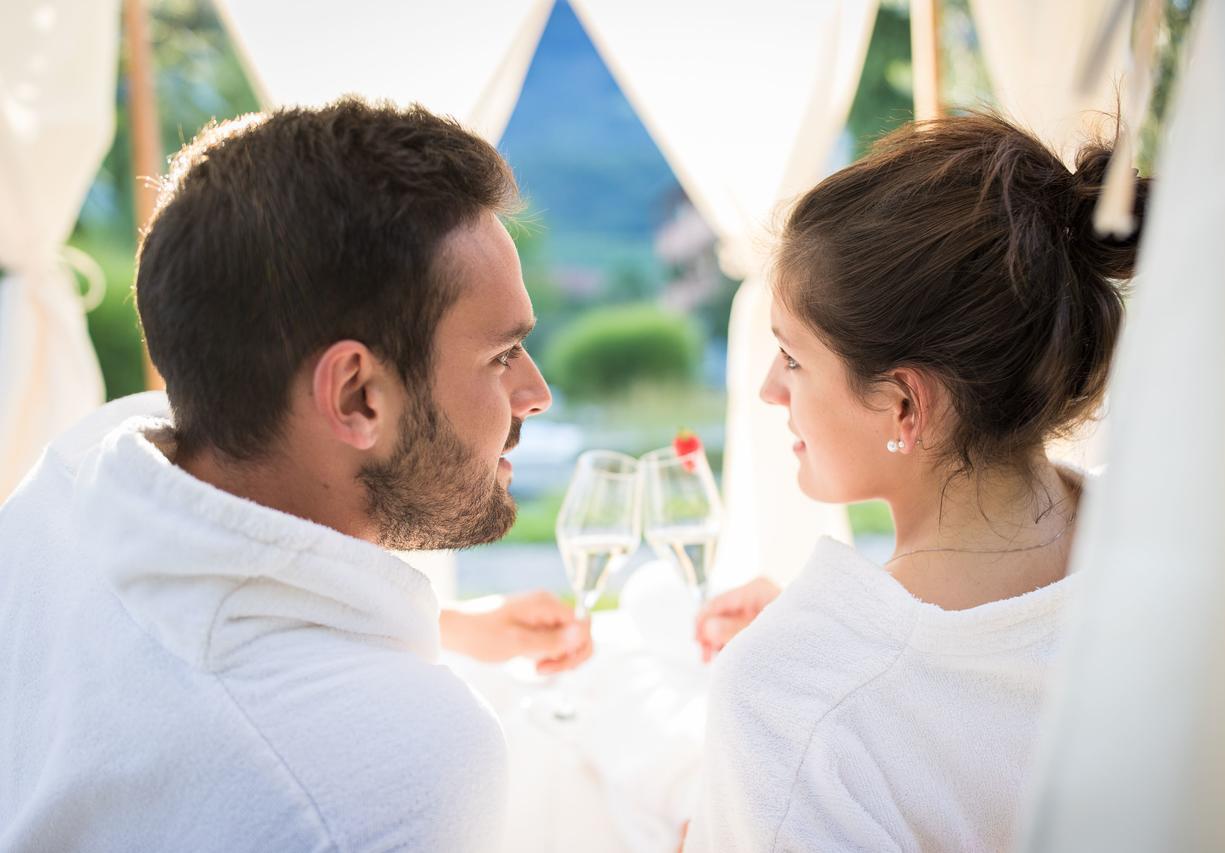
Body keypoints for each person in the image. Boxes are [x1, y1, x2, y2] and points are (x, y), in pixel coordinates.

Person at [0, 99, 589, 852]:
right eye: (501, 355)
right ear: (356, 394)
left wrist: (451, 628)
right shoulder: (406, 759)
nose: (534, 392)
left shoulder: (82, 467)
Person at [685, 114, 1148, 852]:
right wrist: (838, 652)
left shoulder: (785, 698)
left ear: (904, 403)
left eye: (794, 358)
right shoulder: (1175, 545)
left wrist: (813, 679)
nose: (772, 389)